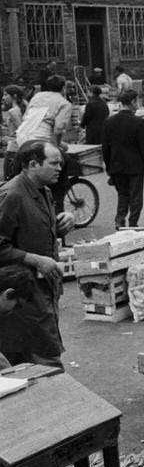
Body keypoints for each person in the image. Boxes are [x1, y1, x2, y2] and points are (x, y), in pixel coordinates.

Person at [0, 141, 74, 367]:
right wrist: (35, 260)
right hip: (24, 292)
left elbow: (33, 228)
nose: (59, 168)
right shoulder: (11, 195)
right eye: (54, 163)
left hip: (44, 288)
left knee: (32, 351)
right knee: (45, 354)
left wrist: (60, 226)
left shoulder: (44, 191)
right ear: (33, 164)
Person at [101, 90, 144, 230]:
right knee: (136, 196)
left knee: (122, 194)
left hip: (117, 166)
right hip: (135, 166)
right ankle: (133, 223)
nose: (137, 106)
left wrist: (109, 167)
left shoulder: (109, 122)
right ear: (132, 102)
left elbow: (105, 148)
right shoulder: (138, 122)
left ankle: (119, 221)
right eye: (136, 102)